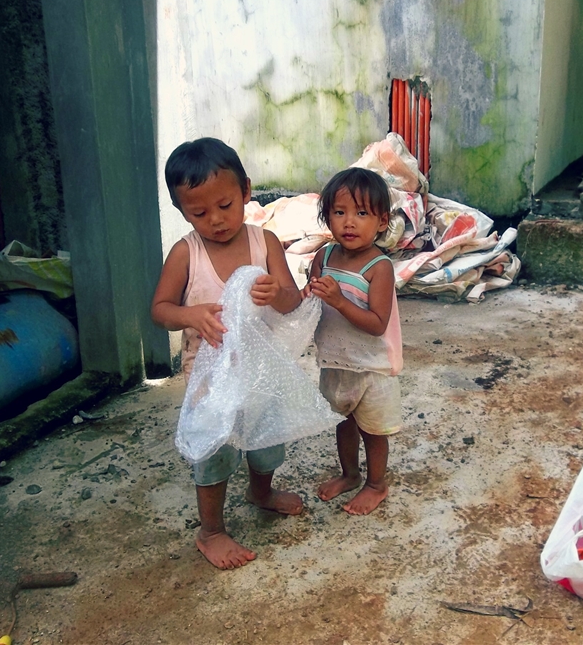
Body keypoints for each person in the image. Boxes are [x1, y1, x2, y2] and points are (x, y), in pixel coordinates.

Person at [151, 137, 303, 569]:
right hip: (210, 381)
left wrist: (277, 292)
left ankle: (261, 491)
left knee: (265, 440)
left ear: (246, 191)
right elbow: (160, 310)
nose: (216, 220)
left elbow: (291, 301)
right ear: (182, 212)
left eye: (225, 205)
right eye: (199, 213)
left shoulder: (265, 243)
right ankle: (211, 530)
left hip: (260, 373)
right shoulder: (187, 253)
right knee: (214, 451)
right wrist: (190, 315)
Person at [305, 167, 403, 515]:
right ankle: (349, 474)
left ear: (381, 221)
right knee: (342, 423)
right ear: (327, 215)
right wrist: (308, 292)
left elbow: (377, 324)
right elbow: (312, 294)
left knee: (373, 431)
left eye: (361, 213)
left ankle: (376, 484)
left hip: (371, 368)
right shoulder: (325, 257)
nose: (349, 222)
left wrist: (339, 301)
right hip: (335, 362)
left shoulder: (379, 267)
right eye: (340, 212)